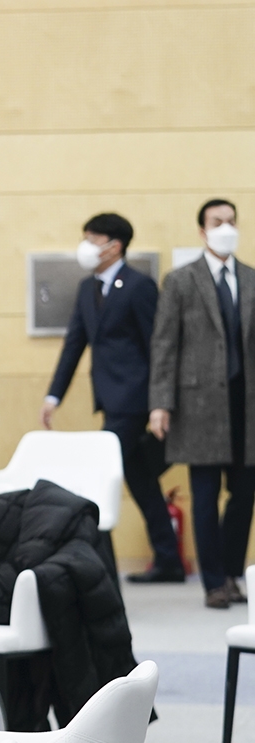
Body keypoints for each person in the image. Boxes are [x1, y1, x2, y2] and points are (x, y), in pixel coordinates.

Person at [40, 214, 181, 584]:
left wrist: (159, 403)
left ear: (114, 245)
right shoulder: (88, 288)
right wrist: (54, 395)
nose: (86, 246)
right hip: (110, 397)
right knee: (139, 478)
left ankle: (94, 562)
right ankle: (169, 560)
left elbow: (159, 348)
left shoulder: (140, 286)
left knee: (101, 473)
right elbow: (74, 344)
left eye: (92, 238)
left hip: (135, 401)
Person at [150, 199, 255, 609]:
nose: (225, 227)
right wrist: (160, 403)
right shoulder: (180, 281)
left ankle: (231, 572)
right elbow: (164, 345)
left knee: (244, 494)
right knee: (206, 494)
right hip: (199, 405)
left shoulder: (250, 278)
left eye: (231, 221)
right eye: (217, 222)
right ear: (202, 230)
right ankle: (213, 581)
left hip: (246, 404)